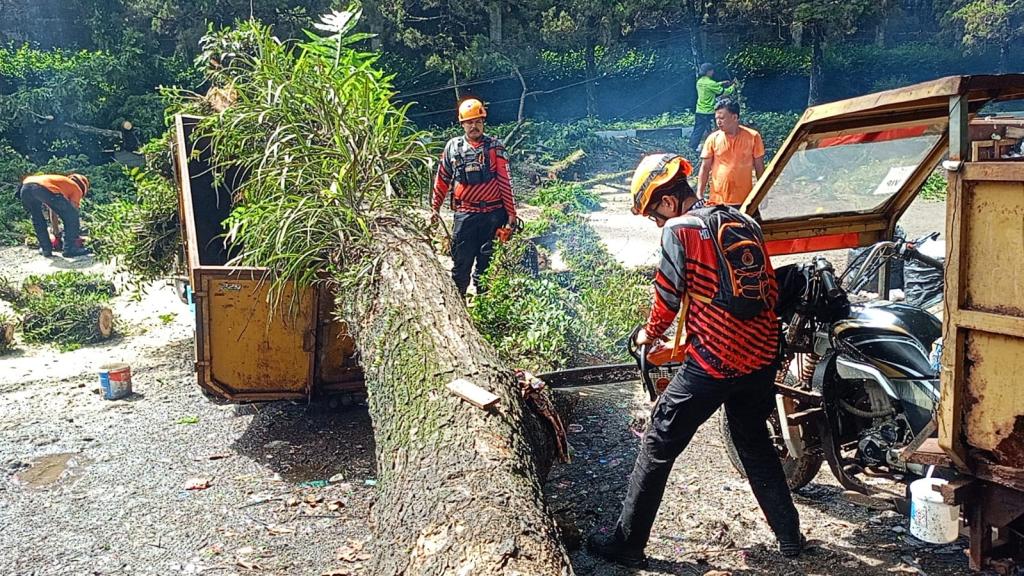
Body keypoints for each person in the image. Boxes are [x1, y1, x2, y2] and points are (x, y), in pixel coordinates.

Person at [587, 153, 803, 568]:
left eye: (654, 214)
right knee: (754, 441)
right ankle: (789, 536)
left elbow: (667, 298)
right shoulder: (744, 220)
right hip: (762, 353)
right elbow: (768, 290)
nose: (656, 223)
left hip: (717, 360)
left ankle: (627, 543)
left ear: (667, 201)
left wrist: (647, 335)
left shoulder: (679, 229)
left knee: (658, 441)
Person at [431, 98, 517, 296]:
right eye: (469, 122)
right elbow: (442, 179)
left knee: (486, 265)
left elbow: (506, 181)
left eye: (478, 121)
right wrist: (435, 208)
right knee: (461, 264)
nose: (474, 126)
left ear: (483, 122)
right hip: (465, 214)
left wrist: (511, 213)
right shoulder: (453, 147)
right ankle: (459, 303)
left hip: (493, 215)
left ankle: (483, 306)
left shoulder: (495, 147)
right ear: (462, 123)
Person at [697, 98, 765, 209]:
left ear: (735, 117)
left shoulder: (753, 137)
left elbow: (760, 168)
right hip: (717, 201)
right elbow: (704, 168)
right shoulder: (713, 138)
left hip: (745, 200)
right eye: (717, 118)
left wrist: (763, 194)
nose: (718, 121)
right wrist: (699, 194)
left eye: (722, 118)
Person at [16, 173, 91, 258]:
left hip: (25, 188)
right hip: (40, 188)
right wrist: (74, 237)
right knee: (72, 216)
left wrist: (56, 233)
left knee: (37, 219)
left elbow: (53, 211)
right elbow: (72, 214)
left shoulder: (59, 184)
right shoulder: (76, 189)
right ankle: (70, 248)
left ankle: (46, 249)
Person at [689, 63, 736, 152]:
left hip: (700, 110)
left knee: (698, 130)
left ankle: (692, 147)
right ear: (708, 71)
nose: (713, 72)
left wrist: (721, 83)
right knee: (720, 127)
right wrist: (733, 86)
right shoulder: (711, 83)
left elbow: (711, 85)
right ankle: (721, 144)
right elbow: (724, 92)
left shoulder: (699, 81)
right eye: (712, 71)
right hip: (709, 111)